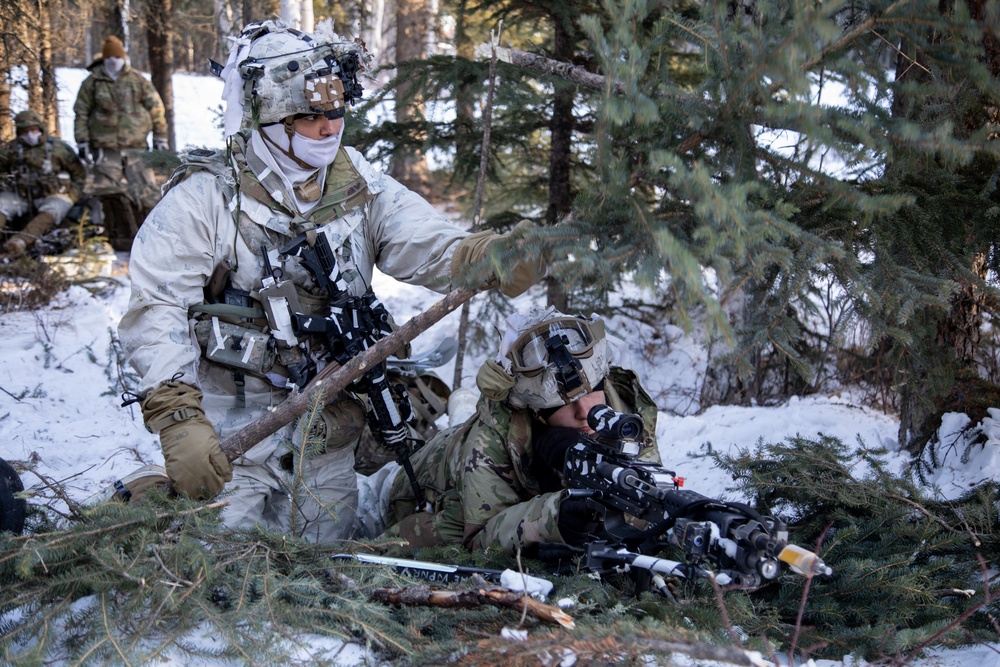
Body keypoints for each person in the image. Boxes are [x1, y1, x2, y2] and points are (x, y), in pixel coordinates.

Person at [115, 19, 543, 544]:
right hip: (231, 433)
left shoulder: (357, 182)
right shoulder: (206, 199)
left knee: (322, 575)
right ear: (269, 120)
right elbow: (155, 306)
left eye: (335, 112)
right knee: (219, 570)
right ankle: (148, 493)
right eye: (309, 116)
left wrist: (483, 257)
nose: (329, 127)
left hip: (326, 437)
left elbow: (423, 240)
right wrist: (178, 416)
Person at [372, 306, 662, 553]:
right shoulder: (489, 441)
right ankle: (453, 401)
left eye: (592, 393)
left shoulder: (625, 409)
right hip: (408, 485)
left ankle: (460, 402)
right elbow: (478, 539)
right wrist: (555, 516)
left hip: (464, 445)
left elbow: (642, 498)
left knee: (461, 415)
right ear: (536, 412)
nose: (584, 412)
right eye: (562, 405)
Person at [73, 35, 167, 214]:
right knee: (105, 194)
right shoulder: (92, 83)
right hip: (105, 149)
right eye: (109, 57)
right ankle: (108, 232)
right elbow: (81, 112)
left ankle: (152, 227)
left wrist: (160, 137)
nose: (113, 61)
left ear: (123, 58)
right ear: (103, 58)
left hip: (136, 148)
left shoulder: (137, 80)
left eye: (117, 57)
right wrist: (82, 141)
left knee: (147, 192)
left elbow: (156, 109)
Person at [0, 109, 87, 257]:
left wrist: (72, 196)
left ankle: (18, 243)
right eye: (24, 131)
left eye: (33, 130)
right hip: (21, 195)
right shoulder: (11, 149)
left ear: (40, 128)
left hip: (54, 195)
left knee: (54, 209)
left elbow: (79, 174)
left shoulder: (59, 148)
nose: (29, 134)